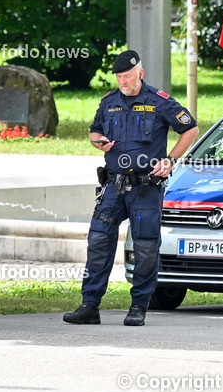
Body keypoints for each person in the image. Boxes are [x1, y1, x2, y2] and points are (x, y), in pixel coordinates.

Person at [64, 51, 199, 326]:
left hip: (145, 187)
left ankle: (139, 306)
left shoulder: (159, 102)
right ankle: (90, 305)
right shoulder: (109, 102)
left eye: (127, 75)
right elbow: (94, 131)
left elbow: (191, 129)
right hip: (113, 185)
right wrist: (97, 141)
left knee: (146, 246)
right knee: (99, 241)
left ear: (141, 72)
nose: (123, 81)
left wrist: (171, 160)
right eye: (119, 77)